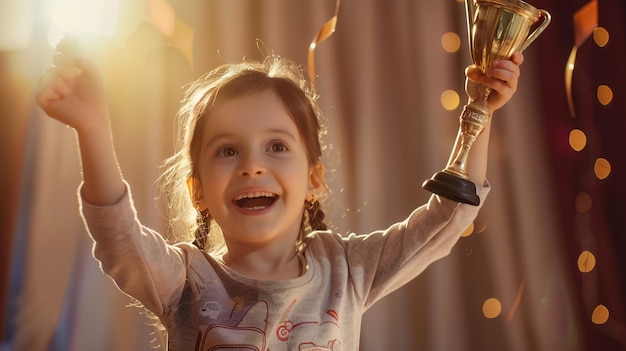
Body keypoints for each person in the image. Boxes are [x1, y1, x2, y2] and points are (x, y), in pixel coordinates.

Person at [36, 38, 523, 350]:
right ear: (198, 191)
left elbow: (449, 216)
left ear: (314, 180)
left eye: (276, 146)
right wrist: (93, 128)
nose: (252, 165)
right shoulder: (184, 281)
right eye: (228, 151)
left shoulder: (346, 271)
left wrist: (481, 107)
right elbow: (117, 234)